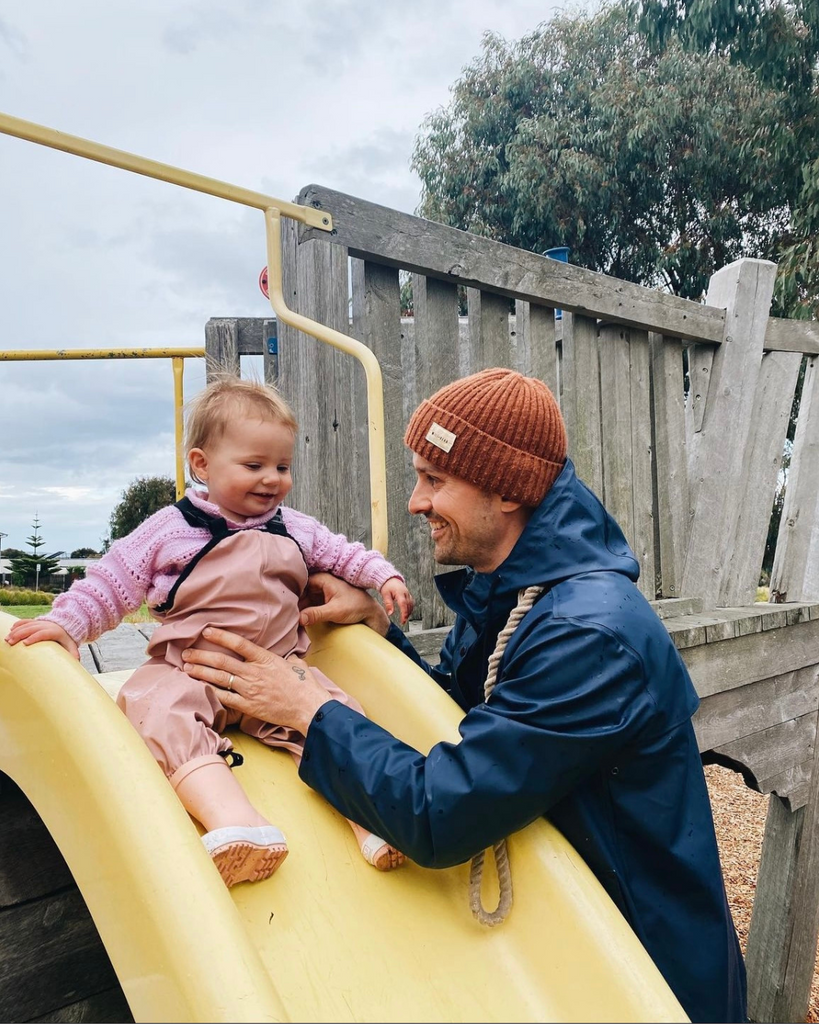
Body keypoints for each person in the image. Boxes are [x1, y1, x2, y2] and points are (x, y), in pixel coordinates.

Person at [178, 366, 748, 1024]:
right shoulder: (513, 589)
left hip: (645, 976)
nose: (416, 502)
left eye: (434, 479)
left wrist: (309, 710)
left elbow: (440, 812)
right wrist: (379, 630)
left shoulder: (586, 635)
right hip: (573, 941)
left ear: (505, 491)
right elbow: (464, 720)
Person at [5, 375, 413, 887]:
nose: (272, 480)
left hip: (281, 674)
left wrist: (382, 575)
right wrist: (66, 625)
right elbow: (111, 582)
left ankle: (375, 822)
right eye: (254, 465)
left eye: (283, 467)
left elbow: (343, 552)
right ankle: (237, 821)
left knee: (335, 714)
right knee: (151, 708)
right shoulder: (172, 529)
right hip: (192, 669)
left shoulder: (293, 526)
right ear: (202, 465)